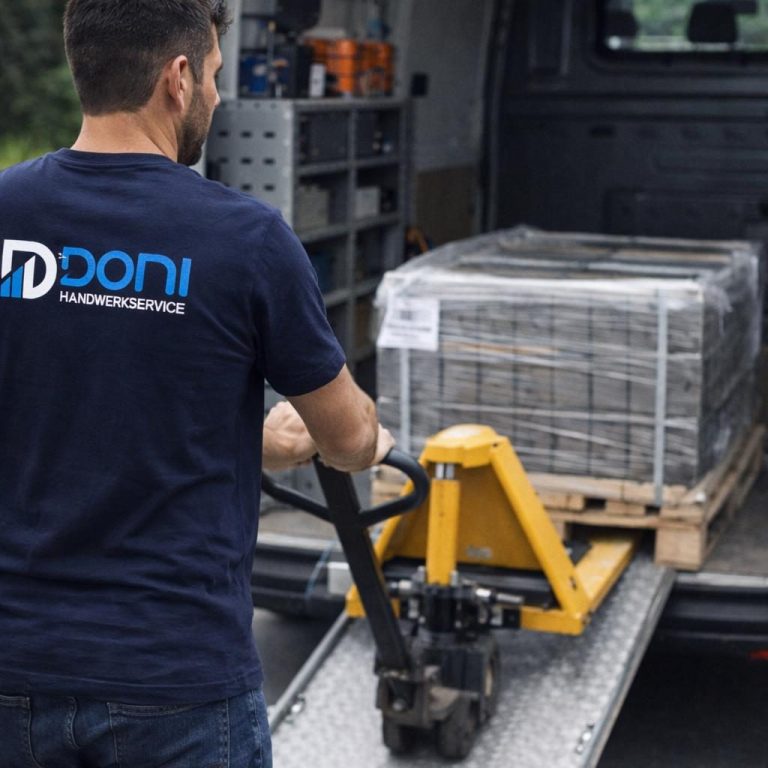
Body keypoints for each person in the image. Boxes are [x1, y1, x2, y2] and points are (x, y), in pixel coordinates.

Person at [0, 1, 394, 765]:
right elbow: (347, 440)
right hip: (173, 682)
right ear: (178, 79)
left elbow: (71, 399)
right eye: (214, 75)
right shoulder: (245, 239)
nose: (215, 95)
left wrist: (251, 441)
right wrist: (362, 437)